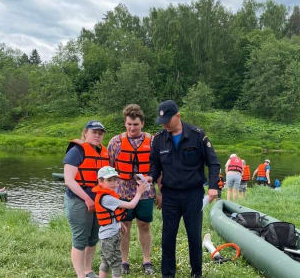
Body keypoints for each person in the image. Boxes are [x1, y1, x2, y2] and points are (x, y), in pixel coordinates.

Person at [148, 100, 220, 278]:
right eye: (162, 122)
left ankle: (196, 273)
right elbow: (155, 166)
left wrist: (212, 187)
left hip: (193, 194)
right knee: (168, 237)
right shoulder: (158, 140)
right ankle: (168, 274)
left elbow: (213, 163)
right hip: (170, 195)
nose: (164, 125)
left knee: (194, 236)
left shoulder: (197, 135)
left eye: (168, 121)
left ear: (178, 116)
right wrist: (150, 177)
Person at [107, 104, 157, 275]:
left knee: (144, 225)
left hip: (145, 192)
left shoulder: (152, 141)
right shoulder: (115, 142)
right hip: (122, 192)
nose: (132, 128)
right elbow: (109, 169)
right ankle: (124, 261)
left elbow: (158, 168)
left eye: (135, 124)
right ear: (125, 123)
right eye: (129, 124)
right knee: (124, 226)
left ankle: (147, 260)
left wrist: (160, 192)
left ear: (142, 123)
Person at [63, 120, 110, 278]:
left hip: (98, 201)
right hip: (78, 200)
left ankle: (88, 270)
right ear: (85, 133)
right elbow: (69, 180)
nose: (97, 135)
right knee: (80, 238)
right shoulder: (77, 150)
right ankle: (80, 275)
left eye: (100, 133)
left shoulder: (104, 152)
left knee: (93, 237)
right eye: (94, 132)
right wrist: (87, 199)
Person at [92, 166, 148, 278]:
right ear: (100, 181)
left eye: (115, 180)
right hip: (110, 237)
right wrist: (139, 193)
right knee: (116, 263)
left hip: (106, 235)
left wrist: (120, 223)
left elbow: (112, 214)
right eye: (109, 180)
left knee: (105, 262)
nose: (113, 183)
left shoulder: (106, 195)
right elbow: (131, 205)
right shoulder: (107, 198)